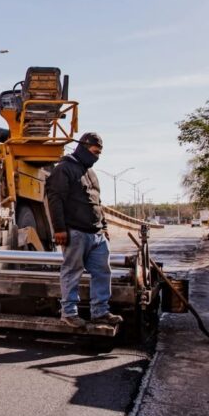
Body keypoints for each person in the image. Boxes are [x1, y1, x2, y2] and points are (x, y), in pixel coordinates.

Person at [45, 132, 122, 328]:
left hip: (96, 234)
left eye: (99, 153)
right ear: (83, 147)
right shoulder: (64, 169)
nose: (97, 157)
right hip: (75, 232)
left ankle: (100, 312)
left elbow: (97, 203)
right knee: (72, 272)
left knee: (103, 272)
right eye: (95, 152)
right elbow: (55, 199)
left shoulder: (91, 173)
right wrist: (59, 229)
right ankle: (69, 313)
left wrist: (104, 227)